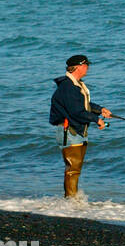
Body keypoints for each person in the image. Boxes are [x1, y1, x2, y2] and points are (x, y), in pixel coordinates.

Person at [48, 54, 111, 198]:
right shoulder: (68, 87)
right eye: (85, 65)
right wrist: (97, 119)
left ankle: (72, 199)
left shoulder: (75, 84)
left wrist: (100, 109)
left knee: (75, 168)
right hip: (69, 131)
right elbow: (76, 111)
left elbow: (82, 105)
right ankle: (70, 201)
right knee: (73, 169)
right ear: (77, 67)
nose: (87, 68)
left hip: (76, 131)